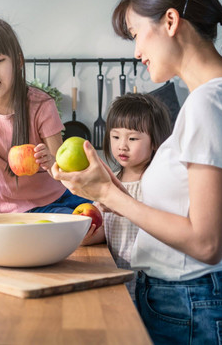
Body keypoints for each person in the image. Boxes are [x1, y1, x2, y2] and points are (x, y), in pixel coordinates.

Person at [52, 0, 222, 344]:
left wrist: (109, 196)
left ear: (169, 21)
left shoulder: (209, 104)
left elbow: (206, 243)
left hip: (192, 307)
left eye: (136, 34)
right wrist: (106, 187)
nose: (136, 51)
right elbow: (180, 211)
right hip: (190, 302)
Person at [0, 16, 92, 215]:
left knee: (104, 215)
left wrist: (50, 162)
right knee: (84, 227)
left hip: (66, 195)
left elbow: (63, 170)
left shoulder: (41, 104)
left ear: (18, 61)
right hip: (22, 211)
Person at [80, 93, 172, 299]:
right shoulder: (108, 183)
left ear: (155, 142)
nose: (122, 145)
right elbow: (106, 231)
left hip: (152, 286)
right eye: (115, 137)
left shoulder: (157, 184)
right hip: (118, 277)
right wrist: (86, 236)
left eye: (132, 138)